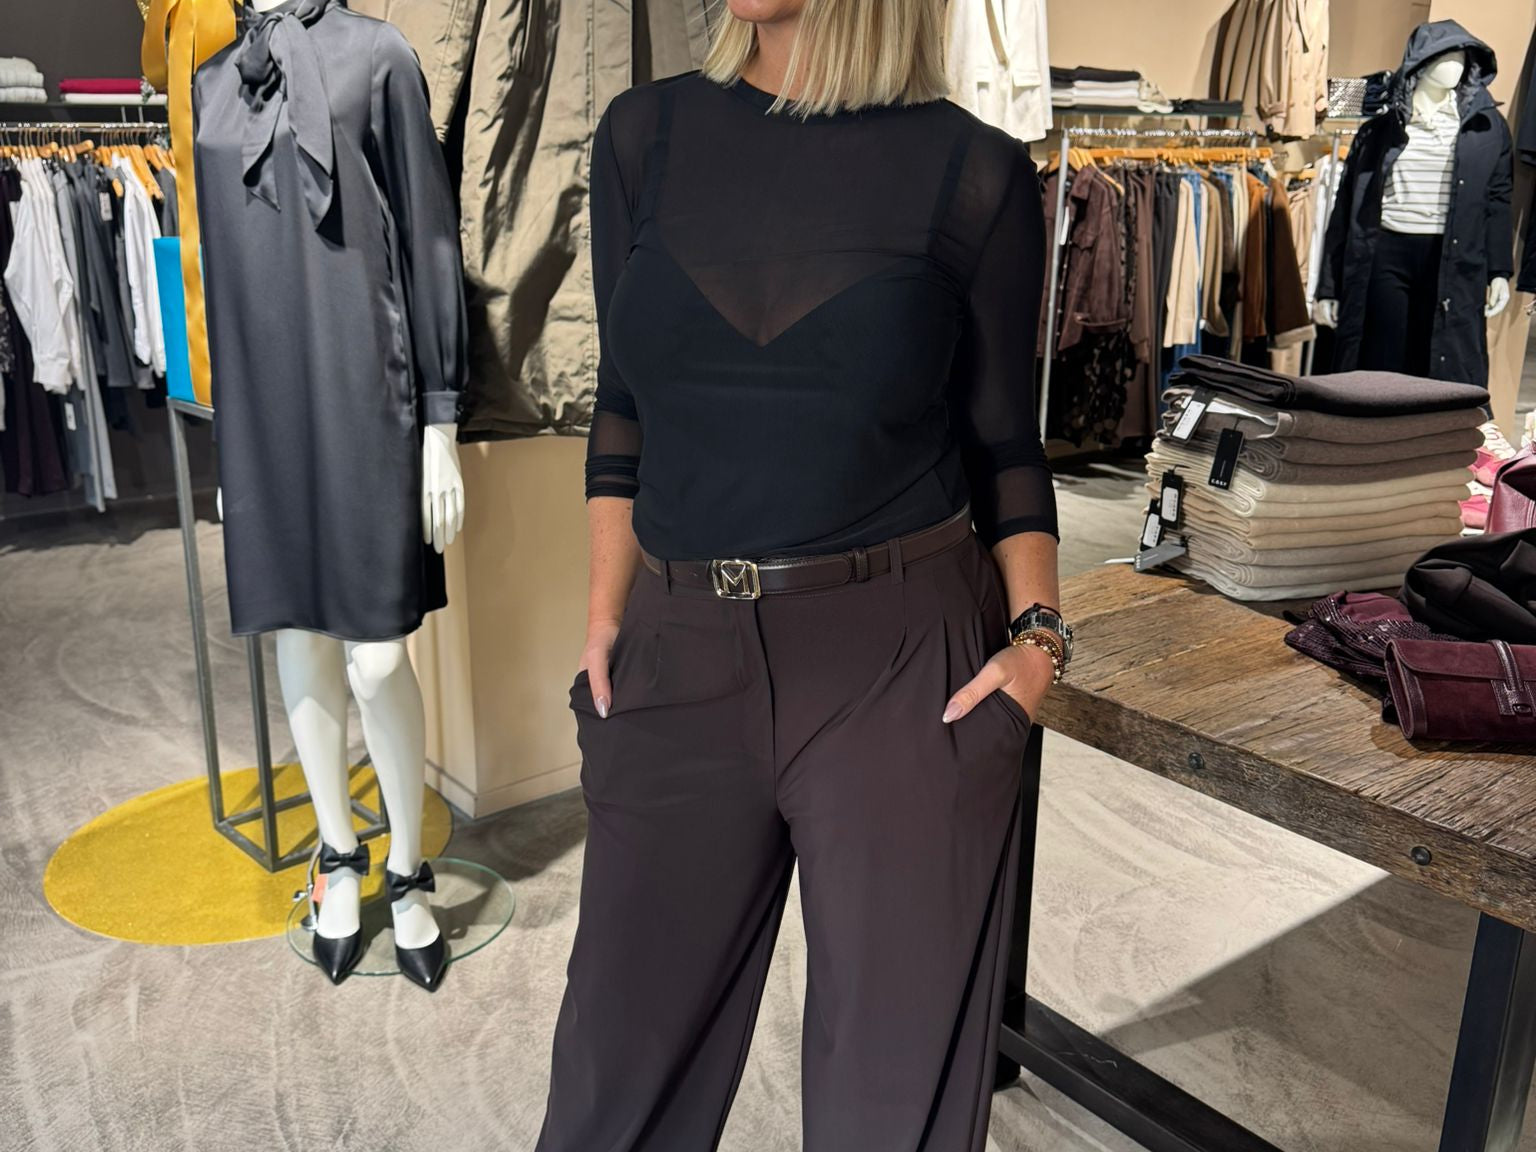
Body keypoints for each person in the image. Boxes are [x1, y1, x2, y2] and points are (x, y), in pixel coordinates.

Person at [536, 1, 1067, 1148]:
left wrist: (1039, 643)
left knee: (891, 1104)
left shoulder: (975, 171)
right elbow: (623, 409)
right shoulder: (643, 136)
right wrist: (604, 617)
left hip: (900, 666)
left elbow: (1005, 446)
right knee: (610, 1088)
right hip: (677, 653)